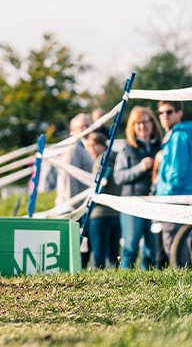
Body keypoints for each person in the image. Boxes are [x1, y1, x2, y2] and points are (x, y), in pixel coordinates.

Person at [114, 106, 162, 269]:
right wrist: (139, 168)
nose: (142, 126)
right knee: (130, 247)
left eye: (145, 122)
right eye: (137, 123)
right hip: (132, 203)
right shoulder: (126, 148)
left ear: (152, 123)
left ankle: (148, 283)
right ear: (132, 127)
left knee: (151, 249)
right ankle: (125, 282)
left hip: (155, 203)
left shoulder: (160, 146)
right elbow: (118, 177)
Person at [155, 100, 192, 266]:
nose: (164, 116)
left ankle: (183, 284)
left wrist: (166, 196)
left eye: (169, 112)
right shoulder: (175, 135)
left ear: (179, 112)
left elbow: (177, 171)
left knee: (174, 244)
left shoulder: (178, 136)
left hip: (175, 198)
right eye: (161, 113)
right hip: (179, 197)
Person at [41, 113, 96, 206]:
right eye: (82, 126)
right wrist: (74, 206)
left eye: (88, 126)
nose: (86, 129)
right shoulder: (73, 149)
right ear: (73, 130)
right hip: (72, 208)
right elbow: (69, 179)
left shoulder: (84, 148)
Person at [84, 132, 121, 269]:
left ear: (102, 145)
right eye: (89, 146)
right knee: (114, 254)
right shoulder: (118, 158)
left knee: (98, 255)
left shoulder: (102, 160)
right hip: (117, 212)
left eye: (95, 145)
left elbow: (97, 187)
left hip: (99, 213)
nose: (92, 149)